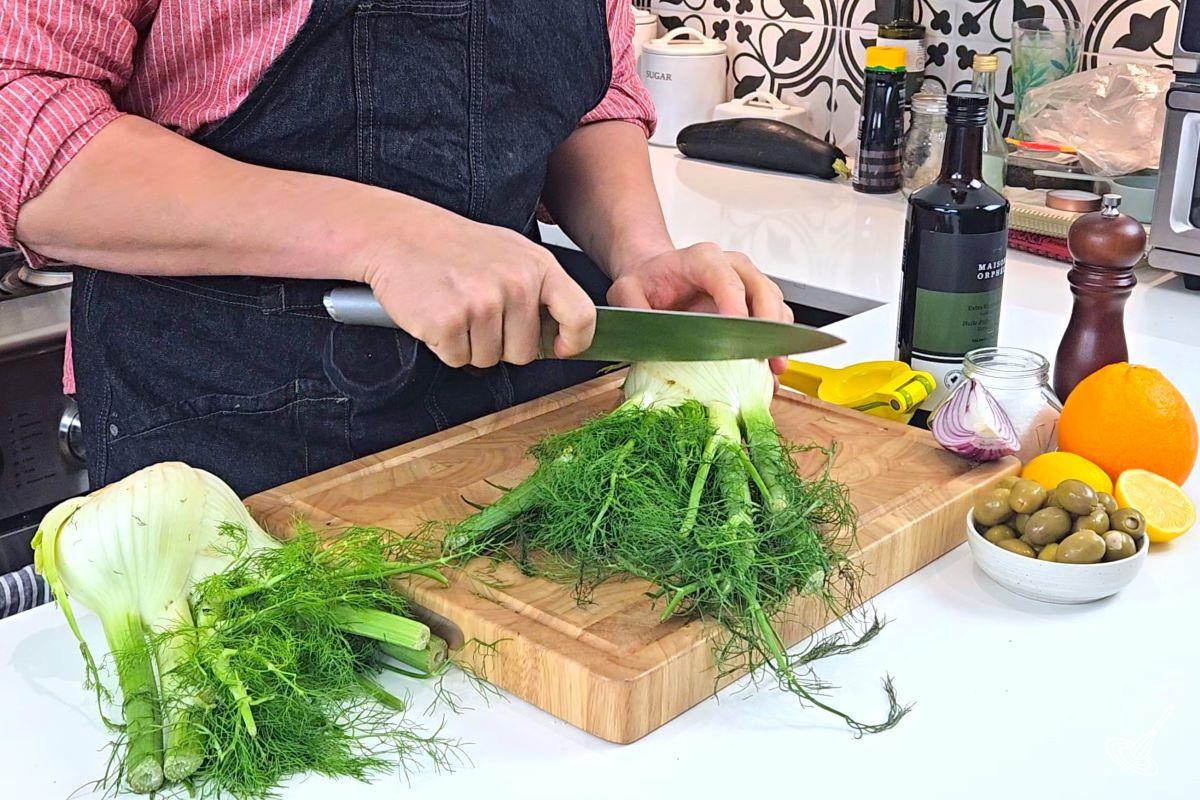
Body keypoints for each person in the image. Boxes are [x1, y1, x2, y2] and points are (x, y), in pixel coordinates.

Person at [0, 2, 793, 497]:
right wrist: (388, 236)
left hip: (512, 417)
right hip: (227, 437)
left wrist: (639, 254)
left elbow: (591, 97)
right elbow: (22, 123)